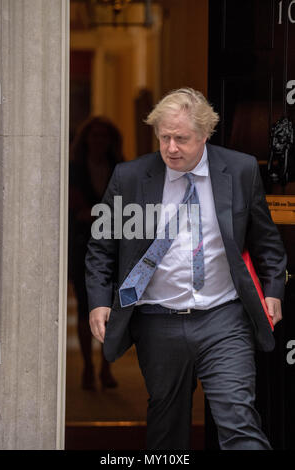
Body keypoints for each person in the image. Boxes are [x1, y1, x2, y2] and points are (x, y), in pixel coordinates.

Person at [85, 88, 287, 449]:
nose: (171, 148)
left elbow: (266, 241)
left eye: (181, 138)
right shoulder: (130, 177)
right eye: (164, 137)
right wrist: (100, 300)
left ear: (205, 135)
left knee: (238, 418)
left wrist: (272, 290)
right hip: (156, 319)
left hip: (223, 317)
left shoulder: (239, 171)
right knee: (167, 427)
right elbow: (102, 247)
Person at [69, 116, 124, 390]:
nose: (99, 140)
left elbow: (127, 210)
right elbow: (77, 209)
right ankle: (88, 368)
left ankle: (105, 367)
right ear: (86, 139)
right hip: (83, 245)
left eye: (104, 136)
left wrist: (96, 213)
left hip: (115, 246)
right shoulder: (73, 169)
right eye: (94, 135)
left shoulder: (121, 169)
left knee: (113, 307)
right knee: (83, 307)